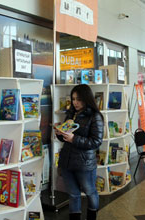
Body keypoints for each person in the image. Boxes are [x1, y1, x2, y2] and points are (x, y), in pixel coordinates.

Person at [54, 84, 104, 220]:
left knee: (90, 192)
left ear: (86, 99)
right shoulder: (70, 114)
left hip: (84, 163)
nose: (75, 102)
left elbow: (96, 141)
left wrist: (74, 139)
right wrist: (59, 133)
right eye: (74, 99)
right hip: (67, 161)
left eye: (79, 99)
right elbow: (65, 137)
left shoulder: (95, 116)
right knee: (73, 194)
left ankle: (92, 216)